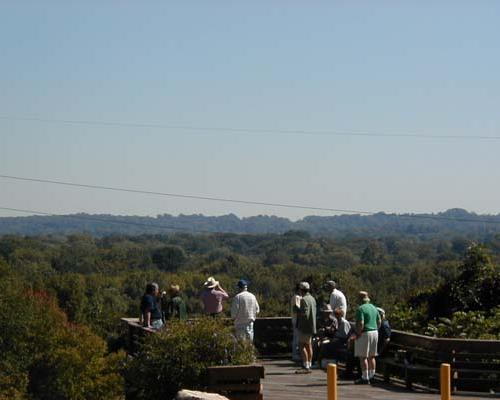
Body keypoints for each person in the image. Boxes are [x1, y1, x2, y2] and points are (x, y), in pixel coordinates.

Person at [354, 291, 381, 384]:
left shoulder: (360, 309)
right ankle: (372, 376)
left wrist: (358, 333)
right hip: (375, 332)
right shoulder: (374, 307)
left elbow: (361, 323)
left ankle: (365, 378)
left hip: (365, 333)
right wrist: (376, 328)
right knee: (372, 356)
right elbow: (379, 321)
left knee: (363, 357)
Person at [294, 281, 317, 374]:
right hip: (312, 326)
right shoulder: (312, 299)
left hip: (304, 327)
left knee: (301, 345)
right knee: (309, 345)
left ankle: (305, 365)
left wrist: (297, 310)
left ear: (301, 290)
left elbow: (305, 314)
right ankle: (309, 363)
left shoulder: (303, 300)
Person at [291, 283, 302, 361]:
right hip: (297, 319)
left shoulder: (299, 297)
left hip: (299, 320)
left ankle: (298, 354)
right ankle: (295, 355)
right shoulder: (296, 297)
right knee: (296, 337)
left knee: (299, 337)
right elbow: (295, 308)